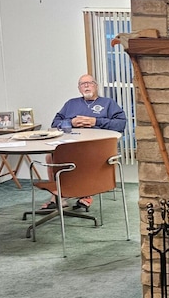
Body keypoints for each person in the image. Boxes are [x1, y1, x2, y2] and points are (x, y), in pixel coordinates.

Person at [40, 75, 127, 212]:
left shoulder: (108, 103)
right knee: (51, 157)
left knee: (85, 157)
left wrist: (96, 121)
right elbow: (55, 124)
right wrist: (70, 123)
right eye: (82, 84)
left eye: (89, 83)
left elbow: (121, 124)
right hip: (72, 143)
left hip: (95, 145)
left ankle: (86, 194)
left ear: (96, 86)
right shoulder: (71, 104)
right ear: (79, 88)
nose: (86, 86)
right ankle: (58, 196)